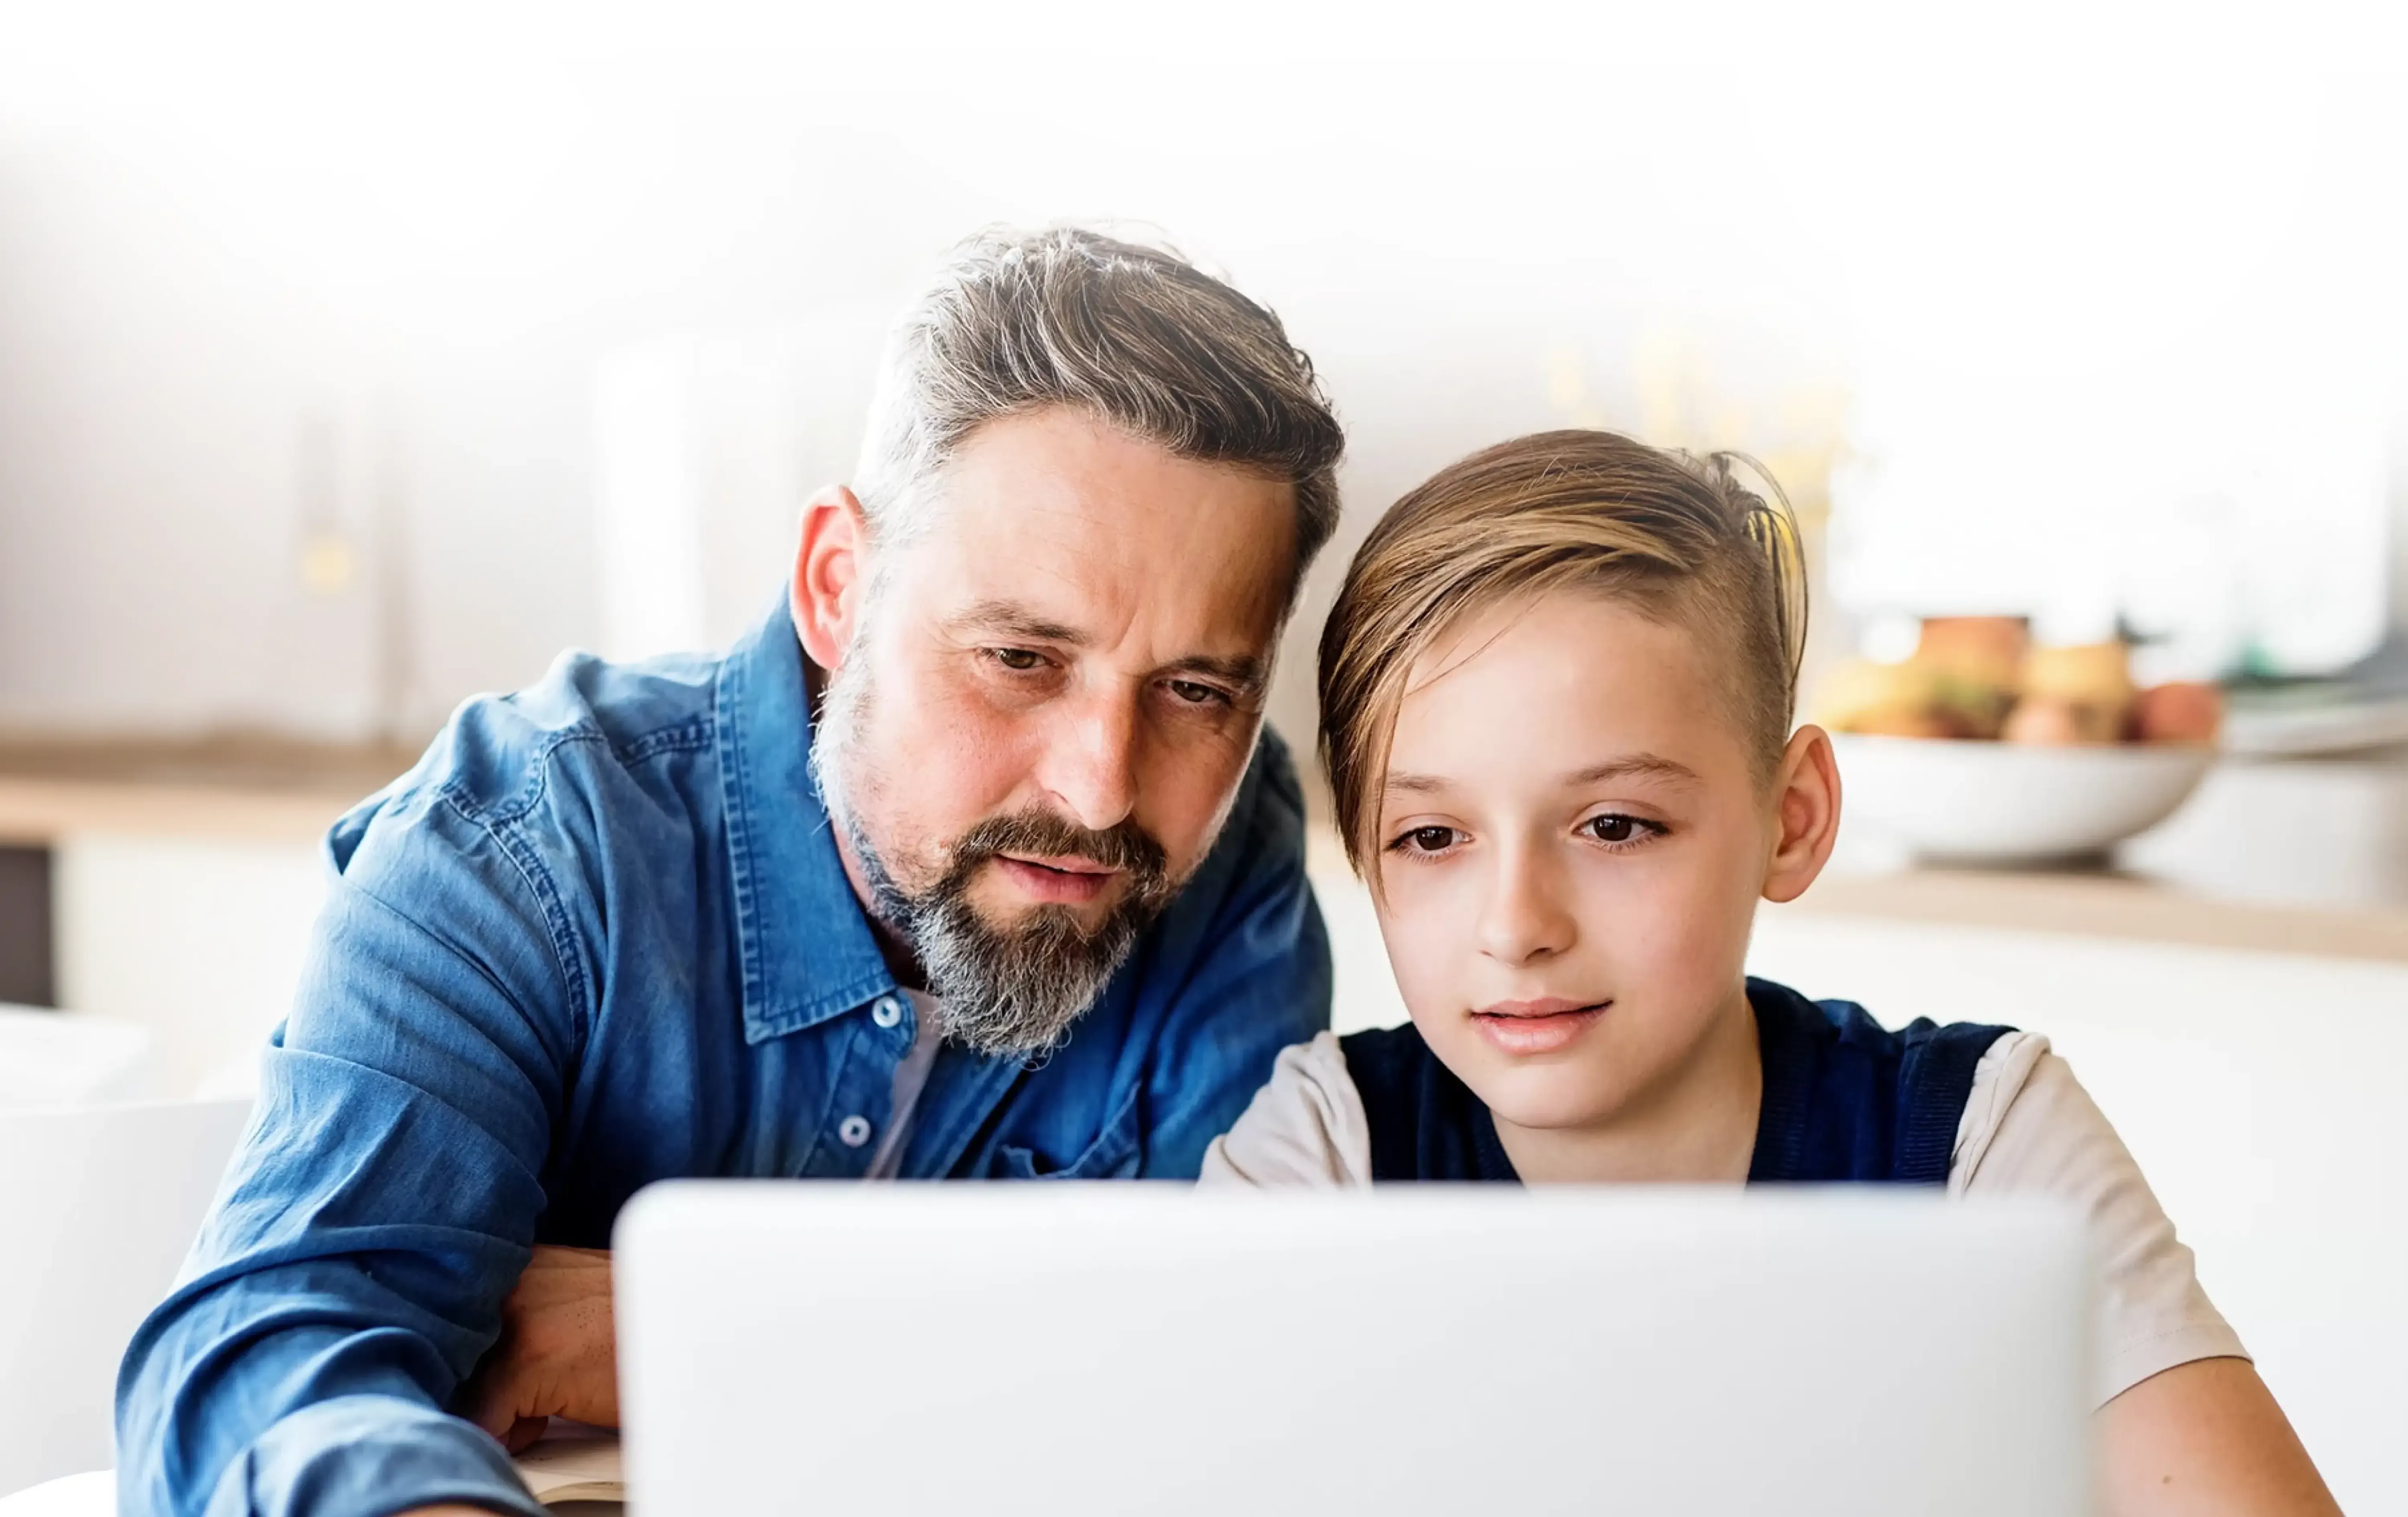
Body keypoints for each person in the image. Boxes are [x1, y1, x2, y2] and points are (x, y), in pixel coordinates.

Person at [117, 227, 1346, 1517]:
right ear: (837, 585)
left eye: (1198, 688)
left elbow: (1218, 1368)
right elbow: (268, 1364)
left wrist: (693, 1320)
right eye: (1021, 659)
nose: (1102, 788)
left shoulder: (1225, 857)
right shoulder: (526, 844)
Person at [1202, 429, 2342, 1515]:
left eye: (1614, 825)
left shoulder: (1983, 1143)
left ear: (1791, 819)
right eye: (1434, 839)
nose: (1518, 925)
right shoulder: (1318, 1162)